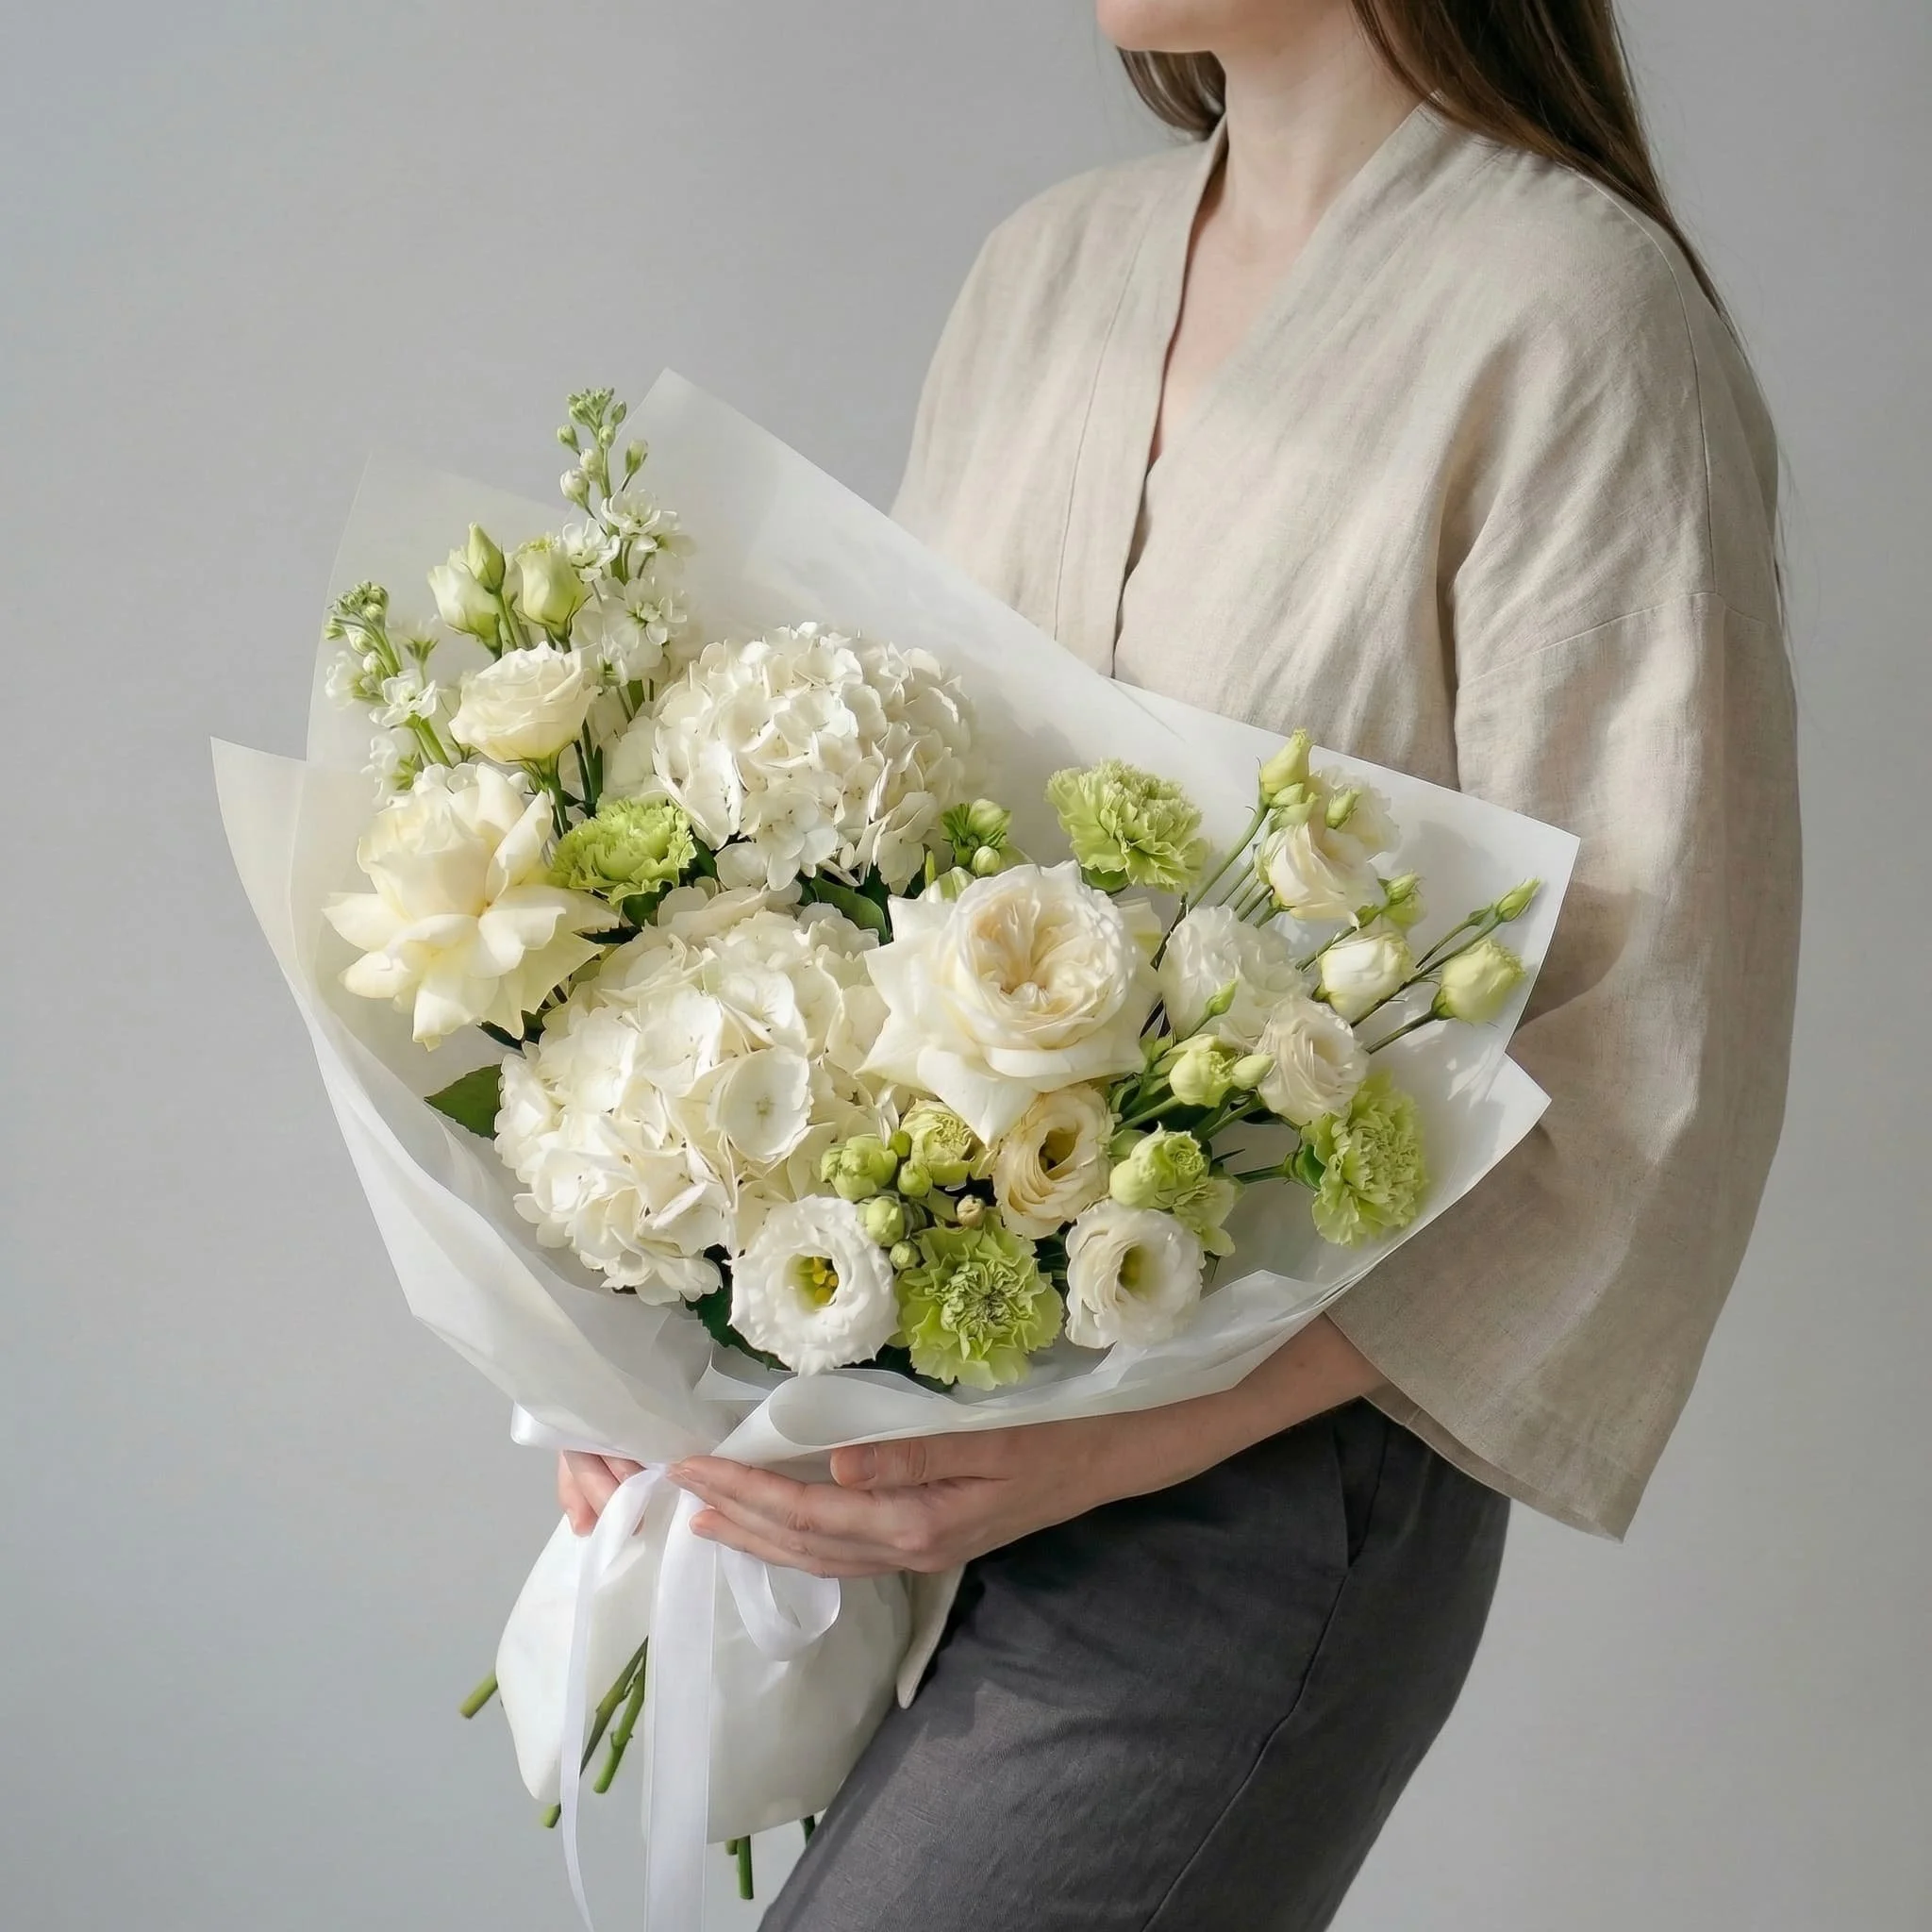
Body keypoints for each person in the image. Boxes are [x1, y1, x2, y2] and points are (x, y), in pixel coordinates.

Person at [561, 3, 1800, 1924]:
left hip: (1271, 1479)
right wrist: (662, 1353)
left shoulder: (1573, 320)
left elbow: (1646, 1045)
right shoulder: (1042, 274)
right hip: (932, 1433)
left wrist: (1132, 1435)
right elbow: (865, 870)